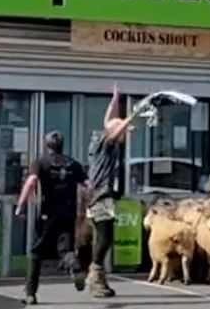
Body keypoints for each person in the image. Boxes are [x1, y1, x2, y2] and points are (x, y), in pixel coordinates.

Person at [15, 130, 88, 305]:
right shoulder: (73, 164)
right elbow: (88, 186)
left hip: (49, 214)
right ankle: (75, 266)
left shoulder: (41, 163)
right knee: (65, 250)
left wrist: (20, 205)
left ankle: (30, 293)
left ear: (47, 146)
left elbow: (31, 182)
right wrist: (84, 210)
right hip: (69, 214)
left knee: (36, 252)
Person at [85, 83, 136, 298]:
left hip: (99, 195)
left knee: (102, 237)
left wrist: (115, 99)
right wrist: (133, 115)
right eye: (125, 133)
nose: (126, 136)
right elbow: (114, 129)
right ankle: (94, 273)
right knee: (105, 238)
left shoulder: (103, 139)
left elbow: (109, 122)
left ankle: (97, 274)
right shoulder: (105, 143)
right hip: (100, 196)